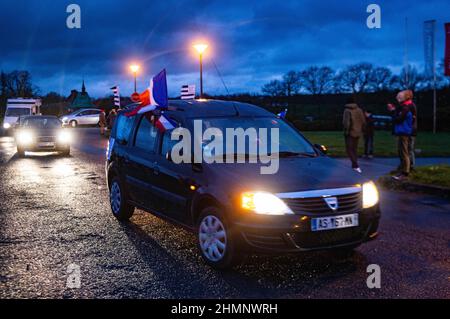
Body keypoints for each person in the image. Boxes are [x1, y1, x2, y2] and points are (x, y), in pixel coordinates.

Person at [388, 90, 414, 181]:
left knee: (404, 153)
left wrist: (393, 112)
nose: (397, 98)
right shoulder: (402, 108)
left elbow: (398, 119)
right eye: (397, 96)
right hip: (401, 132)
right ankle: (402, 171)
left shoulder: (405, 109)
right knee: (401, 152)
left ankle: (405, 173)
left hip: (404, 133)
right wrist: (394, 111)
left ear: (406, 97)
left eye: (400, 96)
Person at [343, 97, 366, 173]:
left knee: (349, 149)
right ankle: (355, 165)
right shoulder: (359, 110)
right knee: (354, 149)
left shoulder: (347, 110)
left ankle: (355, 165)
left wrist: (346, 131)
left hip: (350, 132)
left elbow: (346, 123)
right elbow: (363, 121)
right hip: (358, 132)